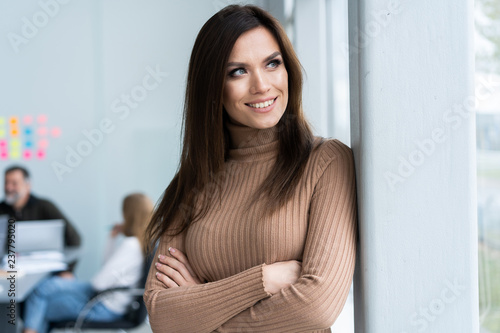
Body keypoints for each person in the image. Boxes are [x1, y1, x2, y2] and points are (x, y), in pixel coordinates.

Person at [143, 4, 357, 333]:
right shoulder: (193, 182)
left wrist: (201, 308)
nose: (261, 85)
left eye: (273, 63)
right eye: (238, 71)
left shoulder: (326, 163)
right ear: (212, 86)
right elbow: (161, 315)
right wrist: (263, 280)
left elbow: (316, 309)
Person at [22, 193, 153, 333]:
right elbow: (107, 268)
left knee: (42, 305)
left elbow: (98, 283)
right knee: (43, 288)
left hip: (102, 306)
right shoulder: (141, 243)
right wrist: (112, 239)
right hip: (104, 298)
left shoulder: (130, 245)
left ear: (129, 215)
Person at [0, 165, 81, 247]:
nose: (8, 187)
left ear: (27, 185)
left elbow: (74, 239)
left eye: (14, 183)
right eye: (6, 182)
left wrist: (63, 259)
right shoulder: (1, 209)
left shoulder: (45, 207)